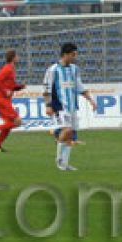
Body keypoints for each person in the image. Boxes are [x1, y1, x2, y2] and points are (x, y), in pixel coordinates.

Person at [43, 43, 97, 171]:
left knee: (70, 135)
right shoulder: (53, 70)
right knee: (67, 131)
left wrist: (91, 100)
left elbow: (79, 87)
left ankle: (65, 164)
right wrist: (48, 106)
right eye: (73, 54)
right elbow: (46, 89)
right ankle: (59, 160)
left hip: (72, 107)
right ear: (65, 54)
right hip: (59, 106)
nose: (75, 57)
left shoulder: (74, 69)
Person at [0, 50, 26, 152]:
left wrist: (20, 87)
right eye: (17, 56)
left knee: (8, 125)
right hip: (2, 100)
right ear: (13, 58)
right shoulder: (8, 68)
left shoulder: (11, 69)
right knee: (18, 122)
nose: (18, 57)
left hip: (5, 100)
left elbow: (11, 86)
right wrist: (5, 91)